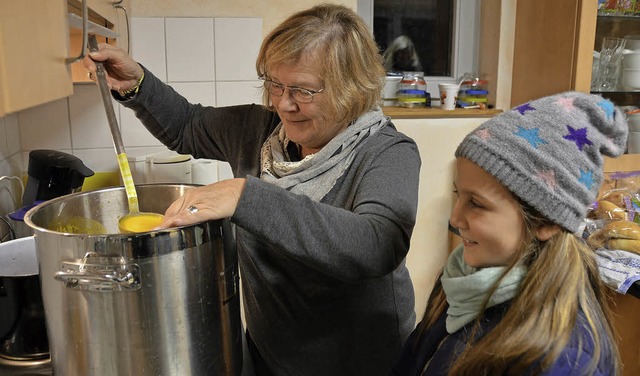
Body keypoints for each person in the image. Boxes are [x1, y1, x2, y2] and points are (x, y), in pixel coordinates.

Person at [84, 4, 421, 376]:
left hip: (364, 364)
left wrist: (245, 196)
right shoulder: (256, 130)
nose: (283, 104)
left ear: (352, 88)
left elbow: (376, 244)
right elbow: (187, 124)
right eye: (275, 84)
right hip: (272, 355)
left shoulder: (387, 152)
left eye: (304, 91)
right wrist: (138, 84)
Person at [392, 92, 626, 375]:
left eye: (476, 203)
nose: (455, 218)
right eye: (458, 194)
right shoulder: (462, 280)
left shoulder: (562, 358)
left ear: (546, 222)